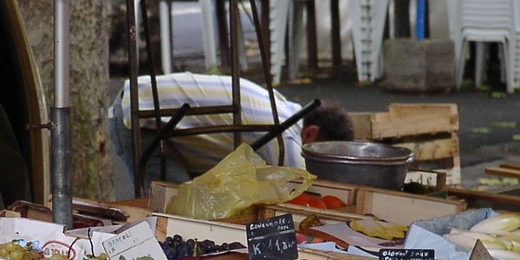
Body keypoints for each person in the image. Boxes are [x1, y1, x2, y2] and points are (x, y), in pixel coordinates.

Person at [108, 72, 354, 192]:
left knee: (191, 199)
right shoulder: (287, 134)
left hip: (146, 104)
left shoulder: (282, 106)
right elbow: (298, 186)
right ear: (311, 134)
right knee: (175, 205)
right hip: (142, 115)